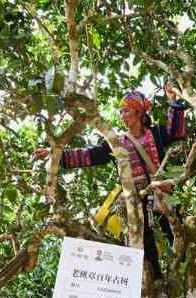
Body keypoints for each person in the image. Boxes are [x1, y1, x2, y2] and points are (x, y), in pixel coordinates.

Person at [34, 84, 186, 279]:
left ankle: (183, 275)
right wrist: (54, 153)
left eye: (126, 110)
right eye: (120, 111)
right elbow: (90, 155)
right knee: (144, 243)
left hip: (163, 193)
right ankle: (156, 282)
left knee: (178, 234)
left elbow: (176, 132)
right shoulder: (117, 142)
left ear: (139, 112)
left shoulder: (155, 133)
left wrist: (173, 101)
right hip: (136, 199)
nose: (122, 115)